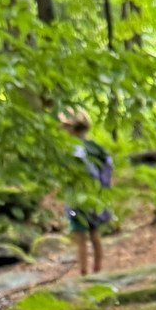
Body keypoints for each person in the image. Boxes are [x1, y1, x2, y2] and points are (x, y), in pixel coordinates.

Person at [59, 108, 114, 276]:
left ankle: (84, 273)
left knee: (81, 237)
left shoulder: (74, 149)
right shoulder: (96, 147)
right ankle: (97, 269)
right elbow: (109, 165)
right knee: (94, 233)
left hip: (77, 198)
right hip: (96, 197)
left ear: (72, 128)